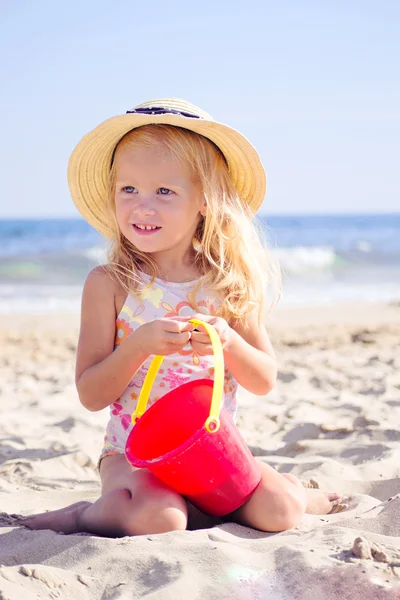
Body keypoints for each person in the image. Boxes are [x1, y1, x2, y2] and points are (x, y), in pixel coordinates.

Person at [18, 98, 344, 537]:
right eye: (128, 190)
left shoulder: (226, 284)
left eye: (164, 192)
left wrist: (228, 342)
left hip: (210, 449)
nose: (142, 206)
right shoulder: (110, 283)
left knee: (280, 511)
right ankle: (82, 514)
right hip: (132, 456)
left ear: (205, 202)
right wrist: (137, 346)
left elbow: (265, 380)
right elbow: (91, 395)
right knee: (161, 520)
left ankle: (295, 489)